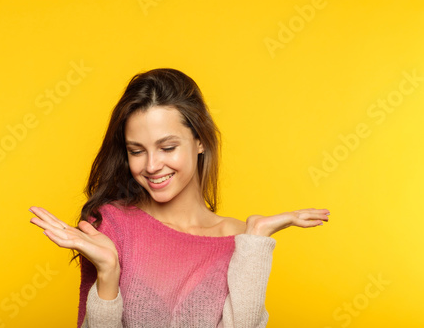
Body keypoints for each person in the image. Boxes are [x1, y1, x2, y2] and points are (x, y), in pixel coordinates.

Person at [29, 68, 330, 327]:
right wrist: (108, 273)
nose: (151, 165)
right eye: (136, 151)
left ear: (199, 141)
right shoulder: (110, 226)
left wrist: (256, 239)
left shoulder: (241, 243)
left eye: (167, 147)